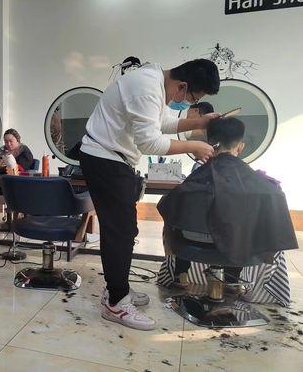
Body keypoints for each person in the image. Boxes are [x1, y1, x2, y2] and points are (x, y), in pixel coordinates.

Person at [79, 59, 221, 331]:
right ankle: (116, 303)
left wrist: (198, 121)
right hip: (105, 159)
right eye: (193, 98)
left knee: (124, 230)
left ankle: (117, 289)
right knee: (120, 231)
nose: (188, 102)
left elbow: (163, 122)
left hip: (113, 158)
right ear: (183, 86)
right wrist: (195, 146)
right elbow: (150, 143)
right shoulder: (146, 87)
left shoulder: (154, 81)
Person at [157, 117, 298, 303]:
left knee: (174, 219)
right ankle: (232, 281)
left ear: (209, 144)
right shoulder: (260, 186)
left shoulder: (197, 178)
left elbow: (169, 206)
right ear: (240, 147)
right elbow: (274, 220)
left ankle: (180, 274)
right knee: (244, 229)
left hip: (192, 242)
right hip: (239, 244)